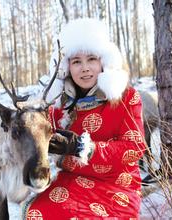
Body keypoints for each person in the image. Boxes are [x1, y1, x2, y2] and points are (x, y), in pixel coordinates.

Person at [23, 18, 146, 219]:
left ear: (103, 62)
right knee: (38, 213)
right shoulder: (58, 104)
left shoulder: (126, 97)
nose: (85, 68)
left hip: (116, 183)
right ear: (67, 67)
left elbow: (134, 148)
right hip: (72, 179)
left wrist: (82, 147)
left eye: (91, 59)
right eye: (76, 61)